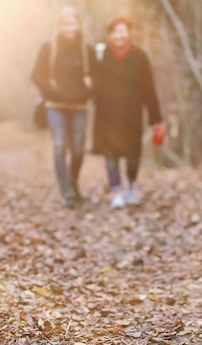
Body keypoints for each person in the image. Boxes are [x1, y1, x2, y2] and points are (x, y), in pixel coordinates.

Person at [93, 16, 164, 209]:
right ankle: (116, 190)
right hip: (106, 114)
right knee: (110, 153)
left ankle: (131, 185)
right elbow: (91, 83)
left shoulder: (139, 56)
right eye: (115, 32)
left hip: (132, 113)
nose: (118, 35)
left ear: (129, 33)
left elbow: (149, 89)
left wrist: (156, 119)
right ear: (110, 34)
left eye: (122, 31)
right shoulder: (100, 55)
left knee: (133, 153)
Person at [31, 6, 96, 208]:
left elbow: (97, 79)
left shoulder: (87, 50)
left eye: (73, 23)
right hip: (55, 105)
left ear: (78, 25)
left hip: (79, 107)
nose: (70, 28)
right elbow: (36, 76)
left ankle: (73, 183)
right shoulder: (48, 48)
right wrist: (52, 92)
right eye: (66, 24)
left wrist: (85, 93)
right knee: (59, 146)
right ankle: (65, 190)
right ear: (60, 26)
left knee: (78, 148)